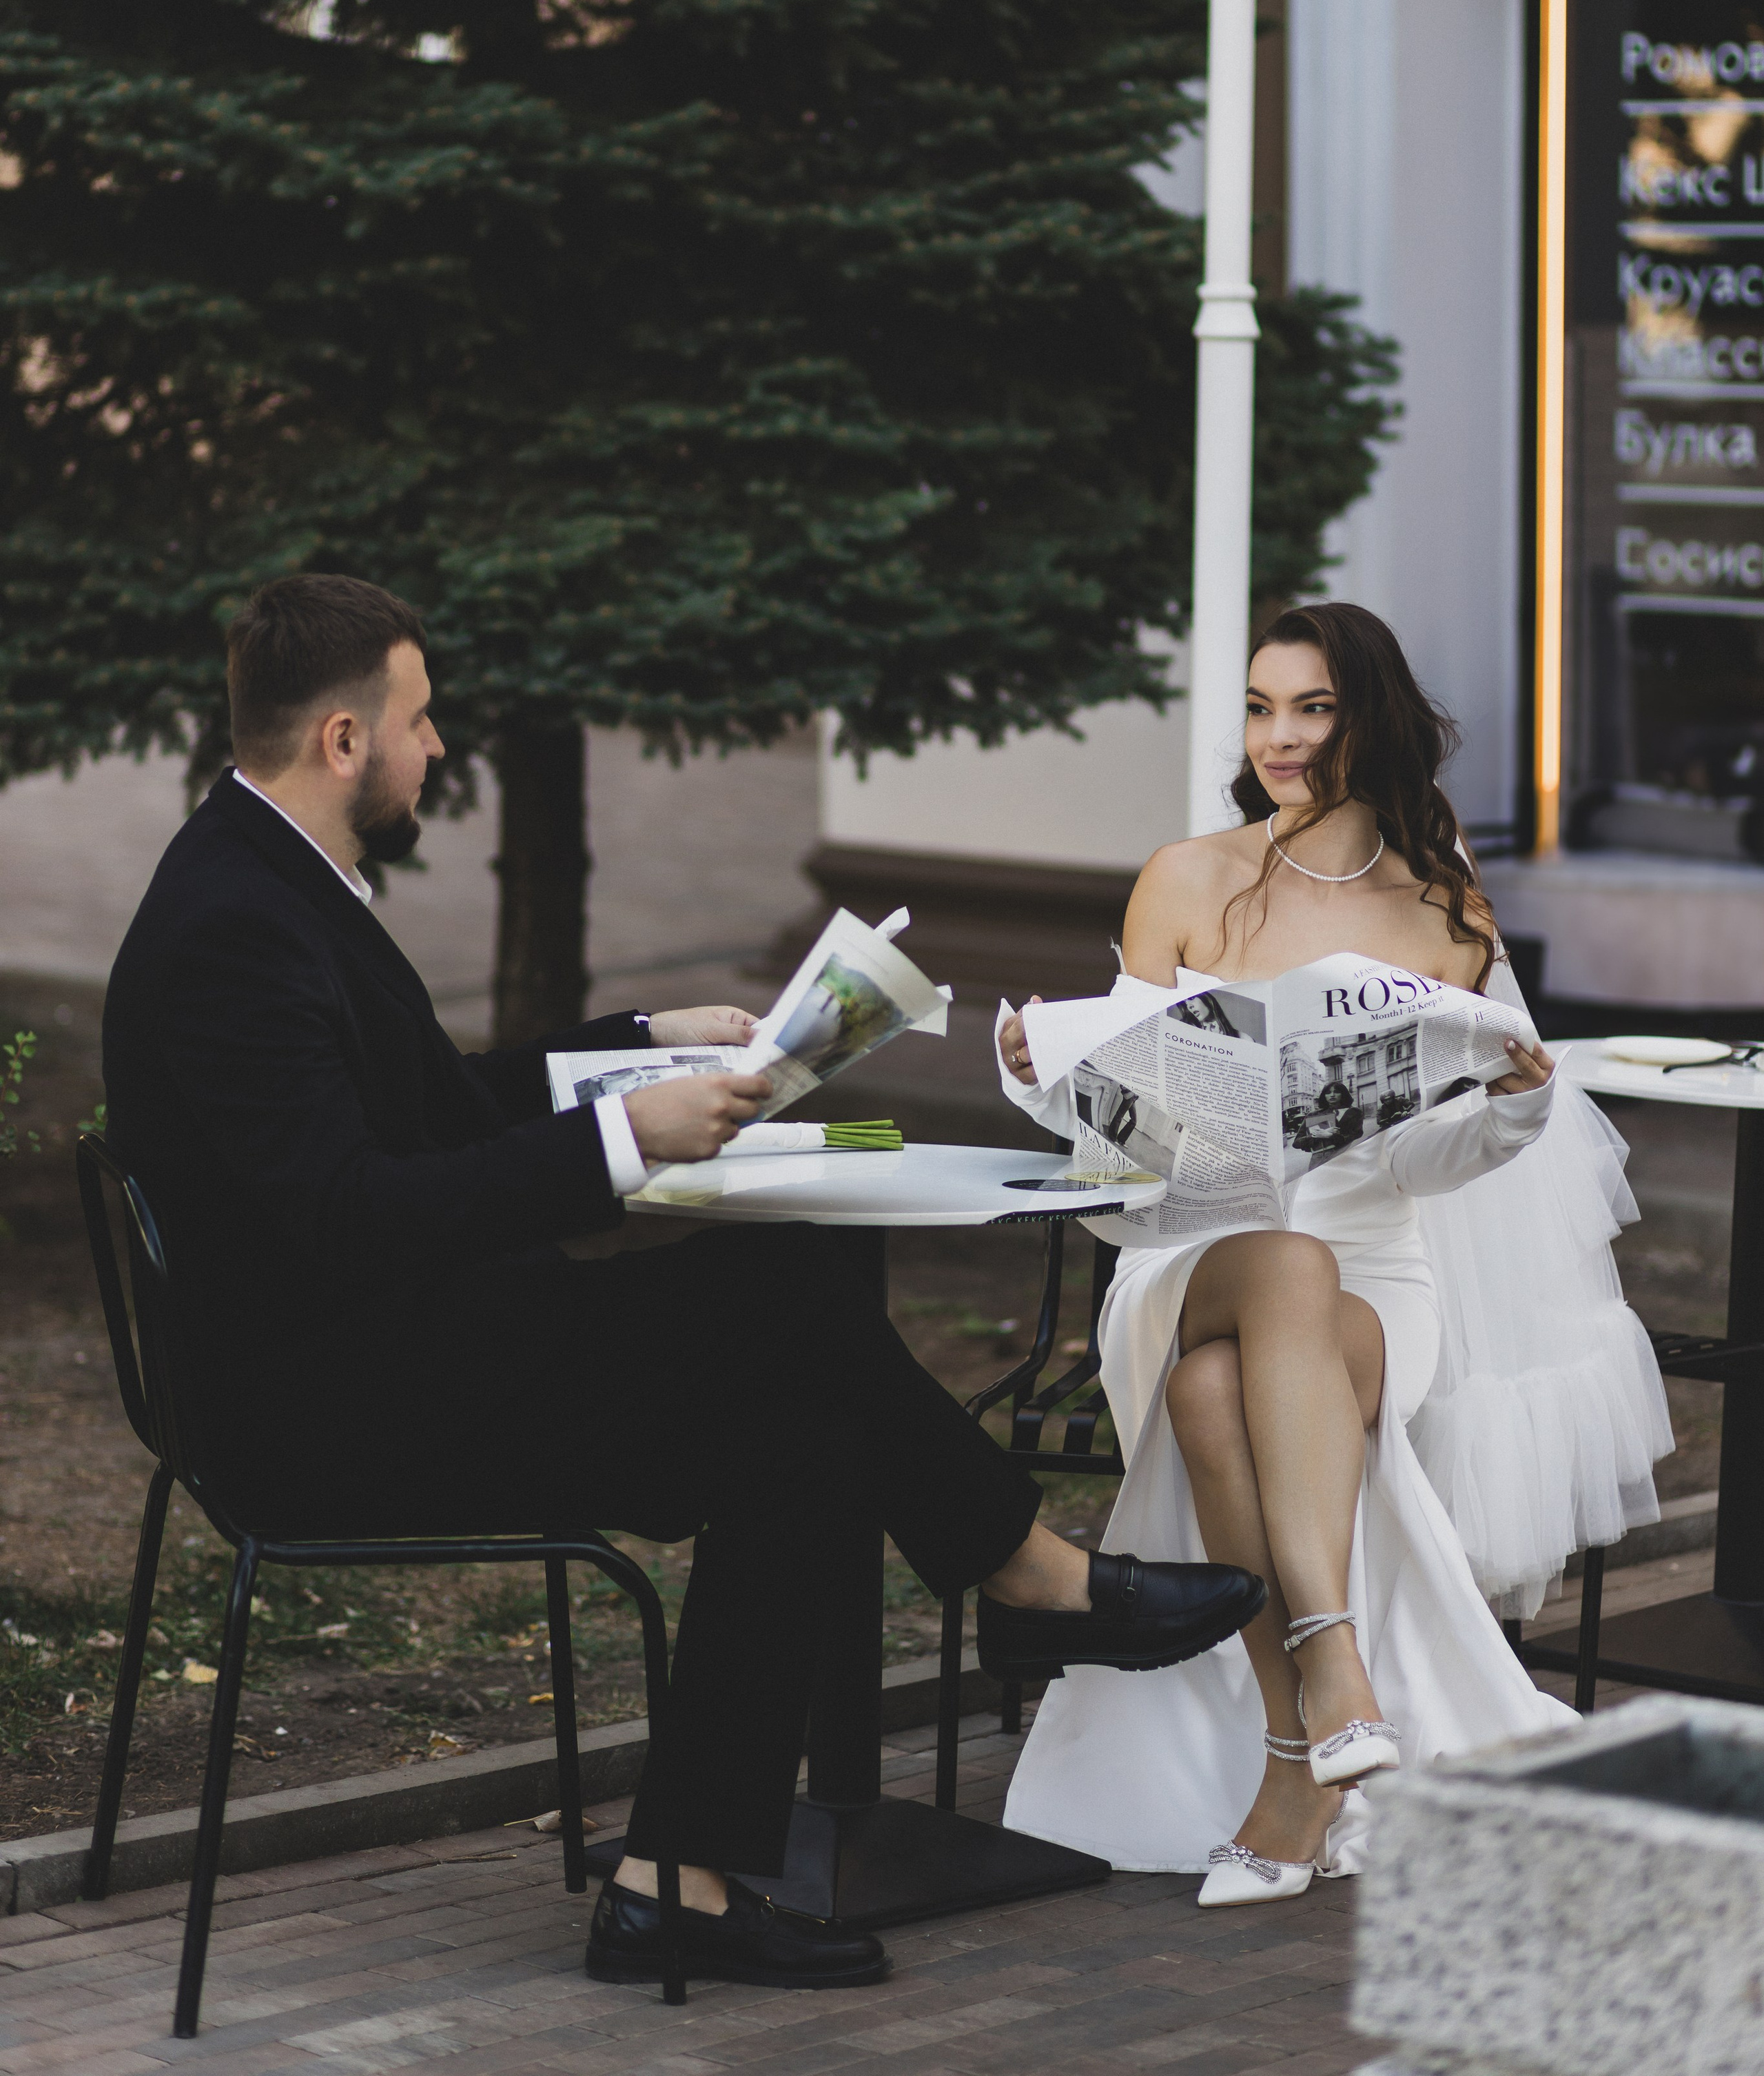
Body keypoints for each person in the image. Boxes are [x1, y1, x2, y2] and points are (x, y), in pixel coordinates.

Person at [102, 573, 1266, 1993]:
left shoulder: (267, 877)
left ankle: (676, 1884)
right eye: (420, 720)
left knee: (809, 1447)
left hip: (390, 1355)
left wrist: (639, 1045)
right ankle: (1031, 1577)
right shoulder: (241, 924)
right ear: (344, 740)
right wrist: (615, 1141)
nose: (439, 746)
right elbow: (352, 1214)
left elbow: (422, 1105)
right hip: (328, 1414)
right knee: (782, 1290)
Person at [994, 602, 1671, 1902]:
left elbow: (1420, 1167)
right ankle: (1337, 1667)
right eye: (1259, 707)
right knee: (1265, 1279)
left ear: (1374, 718)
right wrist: (1048, 1085)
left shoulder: (1444, 914)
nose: (1279, 738)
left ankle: (1298, 1745)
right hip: (1187, 1262)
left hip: (1375, 1277)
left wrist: (1512, 1110)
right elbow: (1124, 1164)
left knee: (1250, 1354)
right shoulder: (1186, 878)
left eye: (1312, 708)